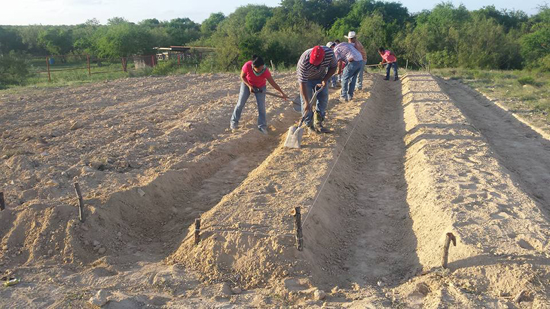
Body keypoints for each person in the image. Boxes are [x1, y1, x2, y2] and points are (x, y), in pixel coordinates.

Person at [230, 55, 288, 134]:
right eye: (257, 70)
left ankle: (262, 126)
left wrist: (282, 93)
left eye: (261, 69)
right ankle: (234, 122)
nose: (259, 71)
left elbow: (273, 83)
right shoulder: (247, 66)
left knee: (261, 107)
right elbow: (242, 77)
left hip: (261, 87)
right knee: (240, 103)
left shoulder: (265, 71)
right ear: (253, 66)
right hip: (247, 84)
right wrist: (250, 86)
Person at [296, 45, 338, 133]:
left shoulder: (329, 54)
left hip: (321, 77)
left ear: (323, 58)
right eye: (313, 62)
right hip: (306, 80)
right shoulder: (304, 61)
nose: (315, 65)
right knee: (306, 103)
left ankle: (318, 122)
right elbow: (302, 83)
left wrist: (325, 79)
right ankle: (309, 125)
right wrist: (307, 102)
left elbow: (334, 66)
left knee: (323, 99)